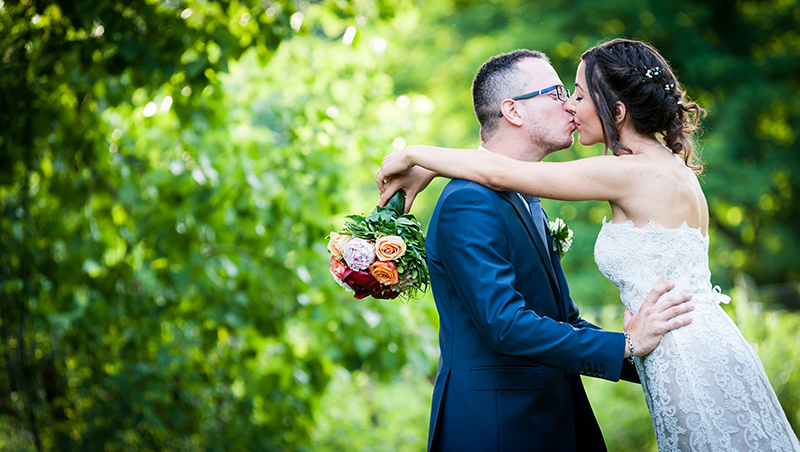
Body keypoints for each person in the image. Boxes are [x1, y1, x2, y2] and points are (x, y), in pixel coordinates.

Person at [378, 39, 800, 451]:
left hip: (680, 356)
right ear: (512, 110)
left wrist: (416, 156)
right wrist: (626, 348)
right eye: (560, 92)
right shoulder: (473, 201)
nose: (569, 105)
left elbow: (495, 173)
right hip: (501, 424)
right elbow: (508, 323)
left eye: (576, 94)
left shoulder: (621, 173)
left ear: (615, 111)